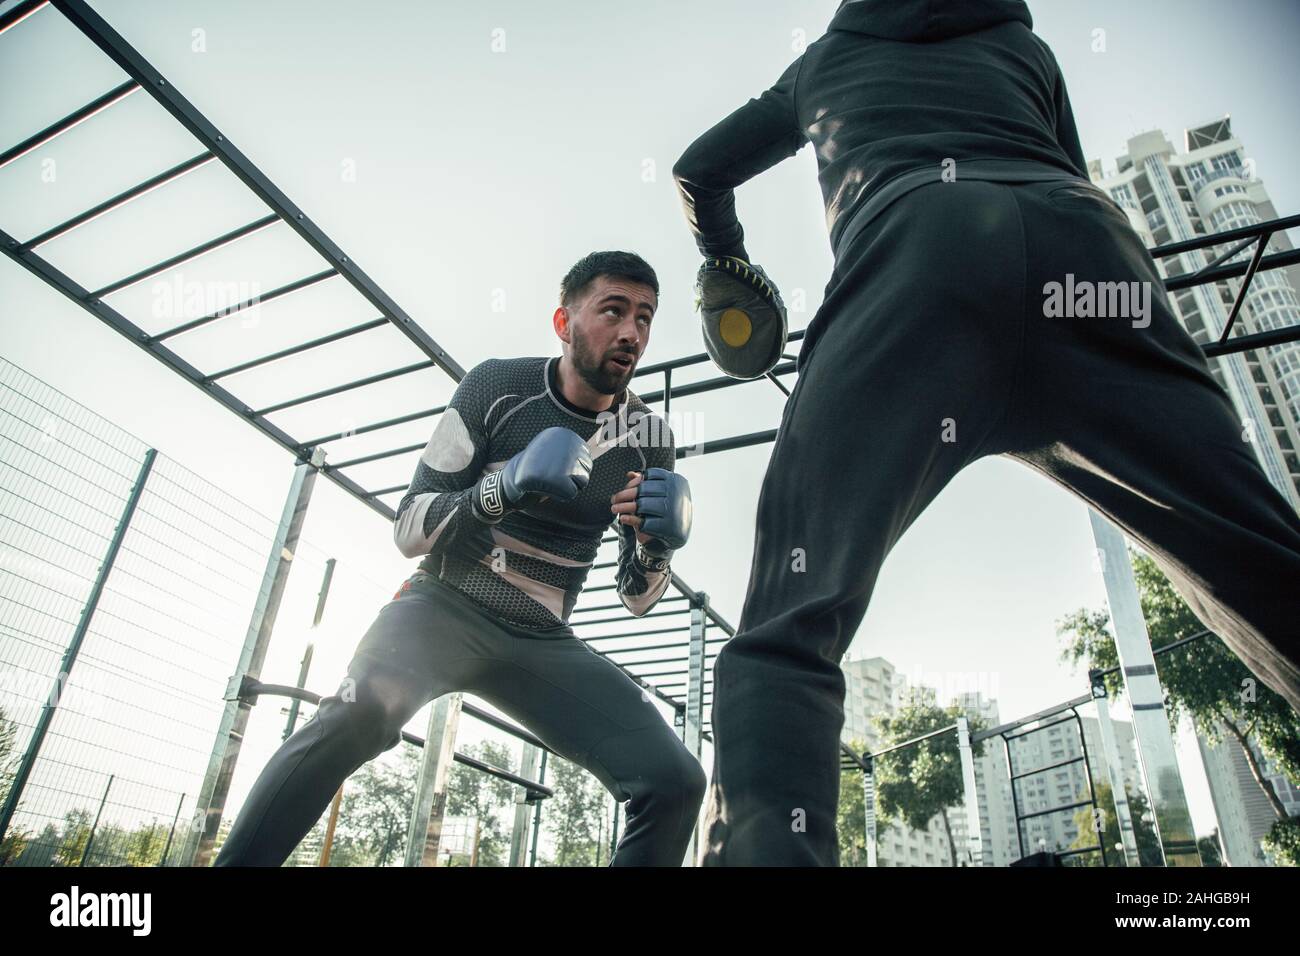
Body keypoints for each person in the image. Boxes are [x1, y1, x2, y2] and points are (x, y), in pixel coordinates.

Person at [672, 0, 1300, 865]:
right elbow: (1066, 166)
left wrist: (726, 263)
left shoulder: (821, 64)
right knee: (1263, 560)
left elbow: (699, 168)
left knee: (792, 616)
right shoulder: (1021, 44)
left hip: (916, 251)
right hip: (1088, 256)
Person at [214, 250, 704, 867]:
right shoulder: (497, 386)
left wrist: (655, 548)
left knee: (676, 782)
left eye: (645, 318)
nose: (632, 333)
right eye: (613, 311)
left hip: (542, 637)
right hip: (443, 606)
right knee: (353, 714)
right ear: (564, 322)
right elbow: (410, 524)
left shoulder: (651, 439)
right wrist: (505, 487)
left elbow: (636, 599)